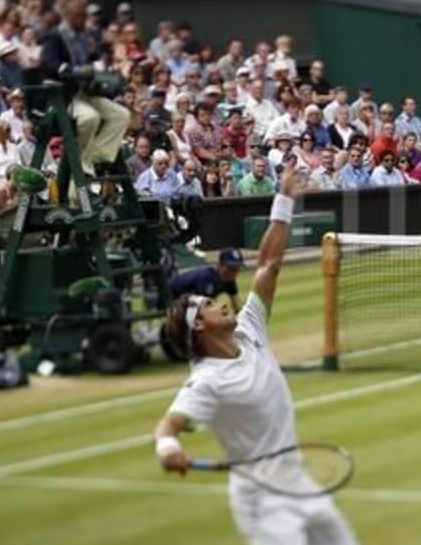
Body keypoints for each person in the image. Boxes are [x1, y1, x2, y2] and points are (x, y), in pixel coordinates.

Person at [153, 166, 359, 545]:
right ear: (199, 325)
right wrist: (170, 449)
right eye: (210, 306)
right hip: (262, 499)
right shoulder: (205, 382)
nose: (220, 305)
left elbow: (268, 265)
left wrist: (284, 200)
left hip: (298, 481)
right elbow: (168, 426)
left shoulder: (250, 330)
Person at [39, 0, 131, 177]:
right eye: (79, 17)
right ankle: (81, 161)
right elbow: (49, 64)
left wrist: (105, 73)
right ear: (70, 16)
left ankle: (96, 157)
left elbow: (93, 62)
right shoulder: (55, 36)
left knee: (121, 115)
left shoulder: (85, 37)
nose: (83, 20)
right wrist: (73, 70)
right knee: (90, 118)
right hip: (65, 95)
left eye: (84, 16)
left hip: (87, 92)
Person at [167, 247, 245, 312]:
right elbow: (203, 310)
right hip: (168, 294)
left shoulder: (229, 281)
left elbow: (237, 306)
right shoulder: (207, 278)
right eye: (230, 267)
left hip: (185, 300)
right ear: (220, 264)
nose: (234, 272)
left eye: (237, 268)